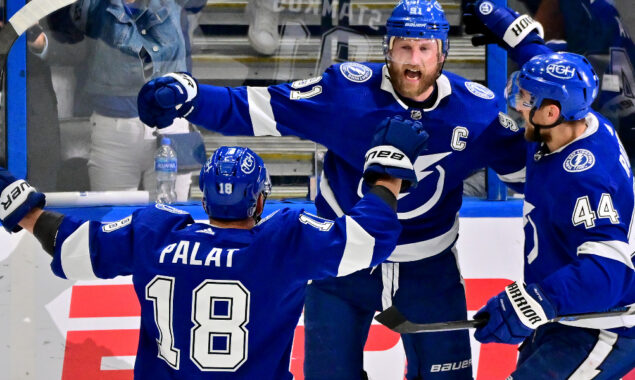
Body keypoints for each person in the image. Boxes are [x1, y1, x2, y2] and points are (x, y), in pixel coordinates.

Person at [137, 0, 529, 377]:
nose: (414, 60)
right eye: (404, 47)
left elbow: (537, 176)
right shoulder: (347, 94)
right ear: (387, 48)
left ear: (442, 53)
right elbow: (256, 108)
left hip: (430, 268)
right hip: (340, 262)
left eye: (425, 49)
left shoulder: (477, 112)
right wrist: (190, 97)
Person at [0, 114, 429, 378]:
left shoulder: (156, 234)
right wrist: (387, 173)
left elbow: (71, 246)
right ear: (260, 199)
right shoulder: (282, 243)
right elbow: (368, 238)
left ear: (204, 198)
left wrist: (22, 208)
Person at [472, 51, 635, 379]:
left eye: (526, 98)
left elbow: (609, 270)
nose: (518, 104)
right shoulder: (570, 125)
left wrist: (535, 301)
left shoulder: (588, 179)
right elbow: (558, 70)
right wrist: (511, 31)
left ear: (550, 111)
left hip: (602, 324)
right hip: (567, 317)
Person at [50, 0, 198, 200]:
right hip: (114, 128)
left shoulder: (174, 5)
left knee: (172, 217)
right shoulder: (93, 7)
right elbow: (62, 30)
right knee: (112, 220)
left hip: (172, 124)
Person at [464, 0, 635, 167]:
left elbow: (558, 72)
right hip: (616, 120)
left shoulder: (578, 172)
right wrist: (524, 40)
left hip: (609, 131)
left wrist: (526, 39)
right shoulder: (584, 107)